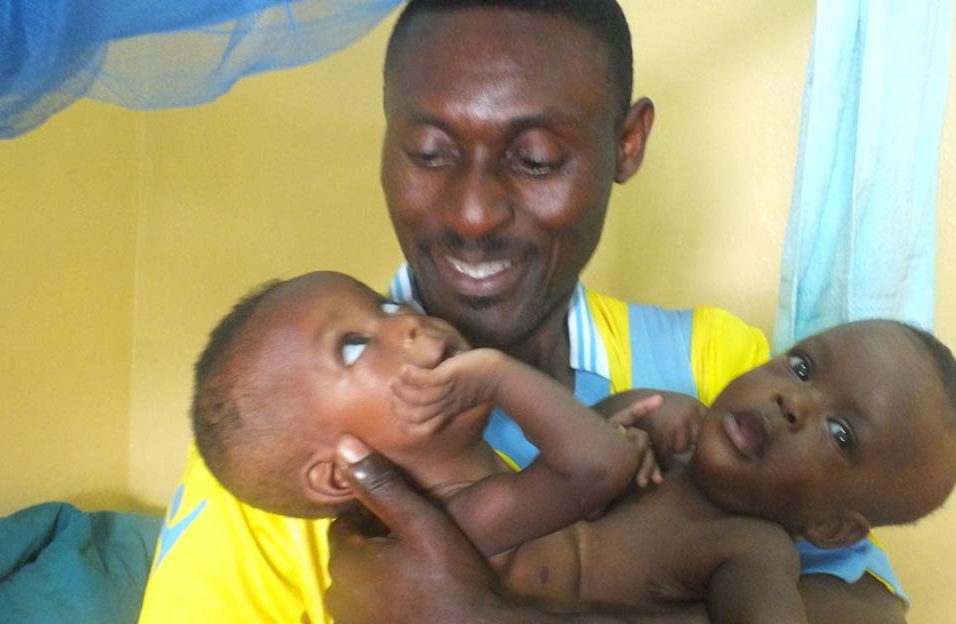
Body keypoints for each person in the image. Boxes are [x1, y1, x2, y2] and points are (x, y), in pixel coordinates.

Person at [138, 1, 910, 622]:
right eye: (429, 153)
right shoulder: (277, 436)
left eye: (535, 159)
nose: (472, 214)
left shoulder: (721, 367)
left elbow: (871, 605)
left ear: (628, 144)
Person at [190, 272, 956, 623]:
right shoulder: (444, 526)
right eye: (800, 366)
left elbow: (594, 467)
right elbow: (591, 466)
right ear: (333, 469)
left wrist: (622, 414)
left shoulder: (753, 552)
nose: (794, 402)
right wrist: (626, 416)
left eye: (838, 433)